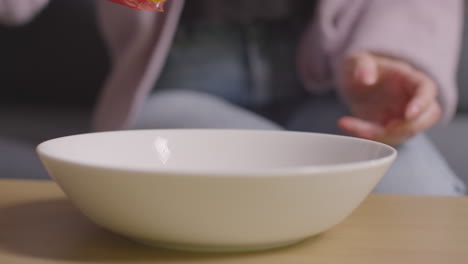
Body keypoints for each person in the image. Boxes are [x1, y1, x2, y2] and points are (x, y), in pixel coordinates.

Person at [1, 0, 466, 195]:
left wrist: (395, 54)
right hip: (179, 81)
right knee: (269, 194)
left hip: (337, 80)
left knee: (421, 195)